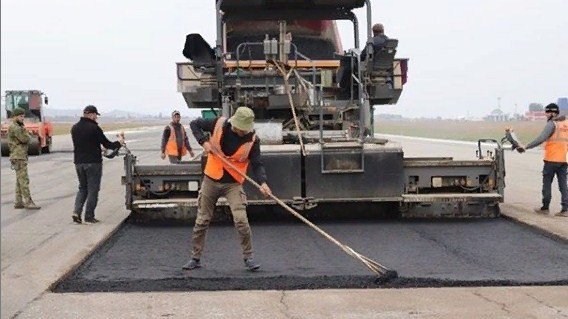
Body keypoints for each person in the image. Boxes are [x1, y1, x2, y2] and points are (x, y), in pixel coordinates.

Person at [182, 107, 272, 271]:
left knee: (241, 220)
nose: (243, 132)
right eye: (241, 129)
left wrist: (263, 183)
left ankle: (248, 258)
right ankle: (195, 258)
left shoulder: (253, 140)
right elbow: (194, 124)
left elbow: (257, 164)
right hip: (211, 178)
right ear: (234, 124)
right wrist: (204, 141)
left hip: (233, 184)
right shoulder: (218, 124)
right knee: (202, 220)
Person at [71, 105, 124, 224]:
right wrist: (119, 142)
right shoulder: (94, 128)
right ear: (92, 114)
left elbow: (84, 144)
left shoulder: (74, 128)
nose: (96, 118)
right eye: (96, 115)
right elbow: (108, 144)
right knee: (93, 190)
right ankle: (89, 216)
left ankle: (76, 212)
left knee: (82, 188)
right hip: (93, 163)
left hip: (79, 163)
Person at [516, 103, 568, 217]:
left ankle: (545, 207)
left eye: (547, 112)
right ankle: (565, 209)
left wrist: (526, 146)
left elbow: (541, 138)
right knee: (563, 185)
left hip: (551, 159)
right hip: (563, 160)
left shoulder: (552, 124)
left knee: (547, 184)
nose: (546, 115)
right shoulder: (566, 123)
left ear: (552, 113)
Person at [8, 107, 40, 210]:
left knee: (19, 180)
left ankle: (18, 202)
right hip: (19, 156)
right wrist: (28, 135)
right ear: (15, 116)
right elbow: (25, 139)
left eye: (23, 116)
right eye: (21, 116)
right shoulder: (16, 127)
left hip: (18, 156)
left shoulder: (18, 126)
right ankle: (28, 201)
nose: (23, 118)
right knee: (24, 180)